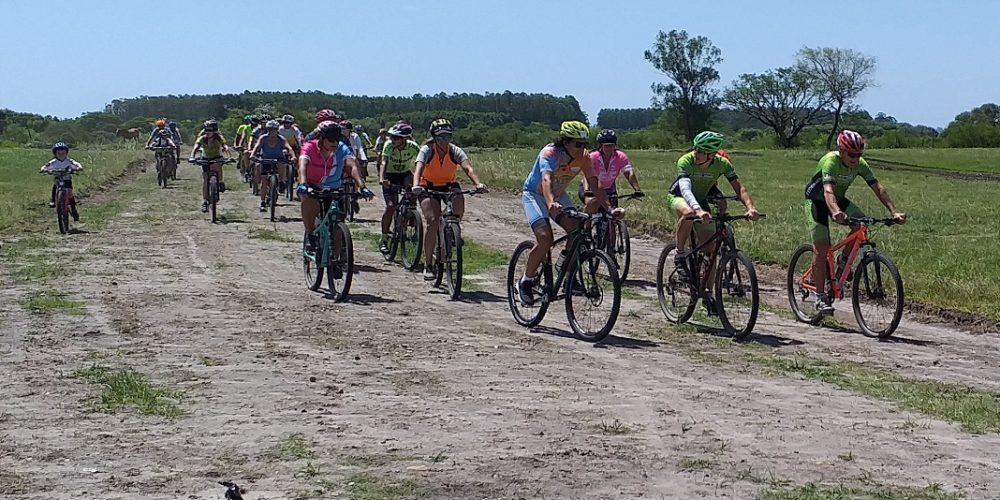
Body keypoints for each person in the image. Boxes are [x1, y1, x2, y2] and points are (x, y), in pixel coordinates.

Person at [804, 129, 906, 315]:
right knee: (822, 246)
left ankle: (843, 262)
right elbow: (827, 190)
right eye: (851, 154)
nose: (855, 158)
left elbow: (878, 188)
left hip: (839, 198)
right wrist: (835, 212)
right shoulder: (830, 161)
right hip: (817, 201)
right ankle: (819, 297)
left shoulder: (861, 164)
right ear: (841, 150)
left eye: (859, 154)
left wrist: (894, 211)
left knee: (860, 224)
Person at [666, 131, 759, 312]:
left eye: (700, 151)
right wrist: (698, 210)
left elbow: (739, 187)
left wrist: (750, 207)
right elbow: (685, 189)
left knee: (710, 249)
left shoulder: (722, 164)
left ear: (711, 154)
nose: (696, 153)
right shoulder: (686, 160)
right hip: (679, 197)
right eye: (696, 149)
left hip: (701, 200)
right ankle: (679, 254)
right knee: (688, 213)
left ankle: (708, 294)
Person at [516, 121, 607, 305]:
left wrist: (610, 208)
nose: (582, 148)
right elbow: (546, 179)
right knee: (545, 238)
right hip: (536, 194)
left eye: (585, 144)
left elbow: (594, 183)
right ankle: (525, 280)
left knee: (577, 230)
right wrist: (550, 202)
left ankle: (566, 272)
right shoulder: (549, 153)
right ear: (565, 142)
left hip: (558, 195)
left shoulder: (584, 157)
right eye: (578, 144)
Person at [412, 119, 487, 280]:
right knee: (432, 221)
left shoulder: (455, 151)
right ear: (434, 137)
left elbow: (468, 168)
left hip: (449, 185)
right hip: (428, 186)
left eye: (448, 137)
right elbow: (418, 167)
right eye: (440, 137)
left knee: (458, 205)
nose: (445, 141)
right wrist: (416, 185)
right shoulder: (426, 150)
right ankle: (428, 265)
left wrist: (478, 183)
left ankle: (452, 229)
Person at [296, 120, 373, 256]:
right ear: (321, 138)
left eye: (337, 139)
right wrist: (303, 184)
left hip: (334, 186)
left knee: (337, 222)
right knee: (309, 202)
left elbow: (352, 166)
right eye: (331, 139)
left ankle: (336, 258)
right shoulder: (309, 147)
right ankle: (310, 235)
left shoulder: (341, 148)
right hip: (312, 184)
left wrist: (362, 186)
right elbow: (302, 165)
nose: (335, 143)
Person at [377, 123, 421, 253]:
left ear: (404, 139)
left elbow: (422, 161)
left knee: (412, 195)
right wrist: (382, 178)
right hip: (390, 175)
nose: (392, 139)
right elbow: (384, 162)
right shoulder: (389, 145)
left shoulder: (413, 147)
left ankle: (413, 223)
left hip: (405, 174)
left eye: (396, 138)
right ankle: (384, 238)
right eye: (392, 137)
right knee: (391, 205)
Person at [580, 129, 643, 211]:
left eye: (611, 145)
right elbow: (586, 176)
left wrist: (637, 190)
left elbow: (629, 173)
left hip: (609, 188)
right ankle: (587, 223)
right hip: (591, 187)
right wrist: (587, 190)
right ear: (601, 146)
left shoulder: (620, 156)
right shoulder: (593, 157)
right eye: (606, 146)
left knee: (615, 214)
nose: (609, 148)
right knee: (592, 205)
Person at [249, 120, 296, 212]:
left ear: (277, 130)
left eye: (274, 130)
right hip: (265, 159)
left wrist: (293, 156)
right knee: (264, 182)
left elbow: (289, 148)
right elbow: (257, 147)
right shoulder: (263, 138)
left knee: (281, 164)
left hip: (278, 159)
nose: (272, 132)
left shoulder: (281, 139)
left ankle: (282, 181)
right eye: (270, 129)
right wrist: (253, 155)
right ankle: (262, 202)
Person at [189, 120, 231, 213]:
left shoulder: (219, 138)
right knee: (205, 181)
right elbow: (196, 147)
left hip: (216, 156)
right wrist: (192, 156)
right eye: (206, 130)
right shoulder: (202, 138)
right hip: (205, 157)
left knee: (217, 165)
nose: (208, 132)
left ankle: (220, 181)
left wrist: (229, 156)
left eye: (210, 130)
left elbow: (225, 147)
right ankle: (205, 202)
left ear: (215, 131)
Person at [40, 142, 84, 221]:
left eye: (63, 153)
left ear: (66, 153)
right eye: (59, 153)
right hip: (58, 178)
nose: (61, 155)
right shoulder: (53, 162)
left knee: (70, 192)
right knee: (55, 187)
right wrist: (44, 169)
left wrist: (78, 167)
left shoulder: (69, 161)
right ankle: (53, 200)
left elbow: (76, 164)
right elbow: (45, 166)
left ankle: (73, 209)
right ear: (55, 154)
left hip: (67, 179)